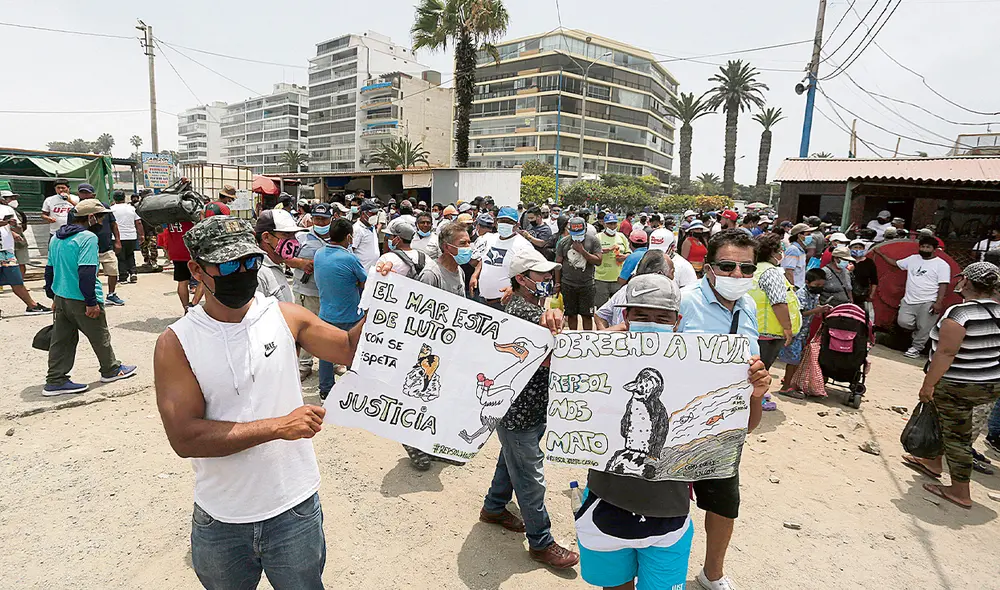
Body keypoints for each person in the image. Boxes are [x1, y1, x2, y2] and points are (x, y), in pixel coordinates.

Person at [154, 215, 365, 589]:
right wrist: (277, 427)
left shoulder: (285, 316)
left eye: (251, 261)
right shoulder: (177, 343)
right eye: (230, 264)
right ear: (196, 269)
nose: (244, 272)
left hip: (293, 508)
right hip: (221, 518)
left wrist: (392, 299)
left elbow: (348, 349)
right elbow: (185, 438)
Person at [580, 273, 771, 590]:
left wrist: (754, 395)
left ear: (677, 320)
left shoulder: (699, 366)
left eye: (661, 317)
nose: (651, 322)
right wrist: (556, 335)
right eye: (641, 315)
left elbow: (743, 428)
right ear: (626, 316)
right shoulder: (603, 360)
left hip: (669, 511)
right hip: (606, 500)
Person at [478, 247, 579, 570]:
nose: (549, 278)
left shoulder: (525, 303)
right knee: (530, 477)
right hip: (520, 409)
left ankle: (494, 507)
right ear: (522, 279)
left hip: (524, 406)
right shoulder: (527, 312)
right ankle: (541, 542)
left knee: (513, 459)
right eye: (542, 275)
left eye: (550, 273)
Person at [677, 228, 761, 590]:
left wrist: (758, 384)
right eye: (728, 266)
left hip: (725, 426)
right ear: (708, 267)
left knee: (724, 503)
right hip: (679, 422)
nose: (737, 276)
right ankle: (664, 572)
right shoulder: (682, 300)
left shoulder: (749, 305)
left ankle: (712, 573)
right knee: (671, 503)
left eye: (747, 268)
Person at [901, 262, 1000, 509]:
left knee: (957, 436)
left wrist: (928, 385)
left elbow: (945, 353)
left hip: (958, 384)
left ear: (966, 282)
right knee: (944, 421)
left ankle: (959, 491)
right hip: (990, 384)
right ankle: (932, 462)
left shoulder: (960, 314)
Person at [43, 199, 137, 395]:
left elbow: (49, 270)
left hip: (62, 297)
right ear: (91, 217)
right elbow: (86, 272)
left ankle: (55, 379)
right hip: (81, 298)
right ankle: (111, 369)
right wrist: (91, 302)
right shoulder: (87, 238)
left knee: (61, 340)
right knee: (99, 335)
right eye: (100, 216)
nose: (102, 221)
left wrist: (52, 296)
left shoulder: (56, 238)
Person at [313, 218, 367, 400]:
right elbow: (363, 281)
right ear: (349, 237)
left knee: (326, 354)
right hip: (350, 315)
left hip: (326, 313)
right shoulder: (350, 258)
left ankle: (325, 390)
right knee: (352, 352)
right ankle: (353, 389)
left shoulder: (319, 254)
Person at [876, 235, 952, 358]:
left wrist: (938, 302)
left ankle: (916, 348)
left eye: (928, 247)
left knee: (924, 327)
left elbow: (943, 284)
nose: (924, 249)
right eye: (922, 246)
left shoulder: (941, 265)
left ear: (934, 249)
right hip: (909, 299)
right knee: (903, 322)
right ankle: (917, 335)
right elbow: (896, 263)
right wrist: (881, 254)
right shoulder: (913, 259)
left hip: (928, 300)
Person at [292, 203, 333, 379]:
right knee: (305, 329)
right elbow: (286, 258)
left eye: (324, 219)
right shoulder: (301, 237)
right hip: (305, 291)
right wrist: (302, 263)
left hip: (330, 293)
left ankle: (333, 362)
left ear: (332, 219)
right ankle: (304, 364)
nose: (321, 223)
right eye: (317, 219)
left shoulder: (337, 237)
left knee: (330, 328)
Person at [777, 268, 832, 397]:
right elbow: (800, 313)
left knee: (797, 359)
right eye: (816, 285)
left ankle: (789, 381)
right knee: (793, 360)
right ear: (807, 282)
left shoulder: (814, 295)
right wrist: (816, 310)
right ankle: (786, 387)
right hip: (797, 332)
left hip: (804, 332)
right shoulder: (801, 294)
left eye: (821, 285)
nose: (819, 288)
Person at [751, 233, 800, 369]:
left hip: (753, 329)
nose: (782, 253)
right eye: (779, 250)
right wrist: (787, 328)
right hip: (768, 335)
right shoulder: (771, 272)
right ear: (772, 252)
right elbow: (778, 302)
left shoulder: (753, 269)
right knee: (760, 372)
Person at [470, 207, 533, 310]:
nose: (505, 224)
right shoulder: (489, 238)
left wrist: (514, 289)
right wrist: (475, 275)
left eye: (509, 222)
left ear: (517, 225)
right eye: (502, 221)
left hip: (506, 302)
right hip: (483, 299)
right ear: (496, 222)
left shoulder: (523, 245)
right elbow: (483, 259)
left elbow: (530, 273)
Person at [597, 249, 674, 329]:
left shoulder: (625, 289)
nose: (673, 277)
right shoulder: (631, 291)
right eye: (672, 272)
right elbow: (601, 316)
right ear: (659, 274)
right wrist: (607, 337)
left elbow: (600, 315)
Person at [0, 196, 50, 315]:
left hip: (7, 251)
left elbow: (18, 227)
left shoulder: (7, 209)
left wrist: (13, 226)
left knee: (16, 279)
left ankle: (32, 306)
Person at [555, 216, 602, 330]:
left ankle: (586, 338)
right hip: (568, 284)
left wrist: (582, 251)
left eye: (579, 232)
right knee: (571, 315)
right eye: (574, 232)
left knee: (587, 315)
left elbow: (598, 261)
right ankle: (573, 337)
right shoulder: (563, 242)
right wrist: (557, 283)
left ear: (585, 229)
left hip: (587, 284)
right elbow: (558, 264)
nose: (577, 236)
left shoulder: (593, 240)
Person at [254, 210, 304, 304]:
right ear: (266, 237)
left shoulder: (274, 264)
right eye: (286, 234)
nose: (293, 241)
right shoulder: (259, 274)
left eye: (294, 235)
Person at [594, 214, 630, 308]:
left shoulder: (621, 236)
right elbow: (593, 253)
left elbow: (629, 252)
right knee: (601, 308)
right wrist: (608, 249)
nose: (612, 226)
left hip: (618, 279)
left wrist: (624, 257)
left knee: (618, 308)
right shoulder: (598, 237)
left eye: (614, 224)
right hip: (601, 279)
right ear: (604, 224)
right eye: (610, 224)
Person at [110, 190, 143, 284]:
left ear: (114, 198)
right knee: (130, 255)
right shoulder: (131, 208)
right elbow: (138, 222)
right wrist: (141, 235)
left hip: (117, 237)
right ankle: (133, 273)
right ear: (124, 198)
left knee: (120, 257)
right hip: (131, 236)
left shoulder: (112, 209)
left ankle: (123, 276)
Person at [850, 238, 878, 319]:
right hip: (847, 294)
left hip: (862, 295)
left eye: (860, 248)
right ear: (850, 249)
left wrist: (871, 295)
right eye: (855, 247)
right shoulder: (846, 261)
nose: (858, 249)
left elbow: (874, 280)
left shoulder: (869, 262)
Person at [782, 223, 815, 289]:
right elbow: (788, 271)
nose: (810, 237)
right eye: (808, 234)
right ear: (799, 235)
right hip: (795, 287)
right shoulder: (793, 250)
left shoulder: (801, 250)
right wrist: (792, 288)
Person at [351, 199, 381, 271]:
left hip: (372, 270)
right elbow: (351, 250)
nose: (375, 216)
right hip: (362, 271)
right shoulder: (357, 229)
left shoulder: (372, 227)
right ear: (363, 214)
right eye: (372, 214)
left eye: (376, 214)